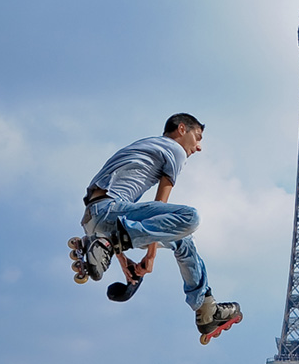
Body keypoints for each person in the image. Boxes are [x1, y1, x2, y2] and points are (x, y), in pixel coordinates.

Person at [77, 113, 241, 339]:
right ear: (182, 129)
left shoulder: (145, 146)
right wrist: (151, 255)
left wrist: (124, 261)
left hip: (96, 218)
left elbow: (113, 217)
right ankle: (109, 244)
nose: (199, 147)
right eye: (198, 137)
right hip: (109, 212)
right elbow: (160, 202)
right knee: (189, 218)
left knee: (182, 240)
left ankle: (206, 308)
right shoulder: (174, 149)